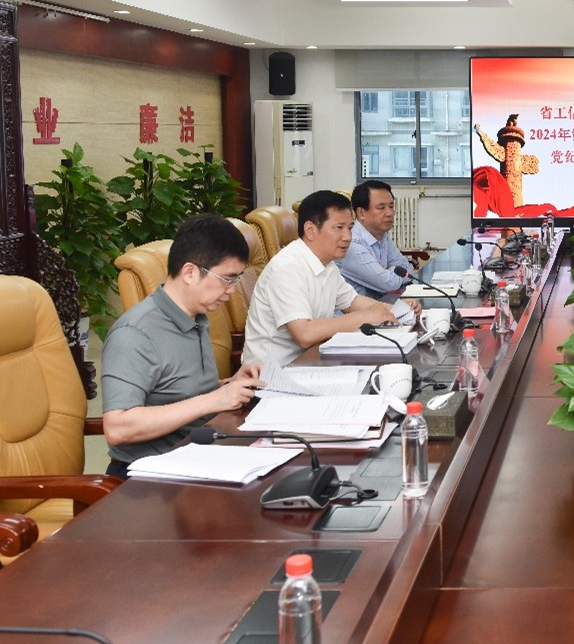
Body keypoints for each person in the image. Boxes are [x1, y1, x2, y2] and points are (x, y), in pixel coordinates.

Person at [101, 215, 267, 478]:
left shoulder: (196, 316)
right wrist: (214, 400)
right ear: (189, 273)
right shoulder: (135, 333)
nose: (232, 290)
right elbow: (117, 427)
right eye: (228, 279)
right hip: (150, 474)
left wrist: (229, 385)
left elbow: (176, 391)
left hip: (200, 453)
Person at [243, 190, 400, 366]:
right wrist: (364, 317)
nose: (348, 237)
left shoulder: (327, 263)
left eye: (350, 228)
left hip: (311, 362)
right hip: (274, 372)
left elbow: (352, 301)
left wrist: (400, 311)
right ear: (310, 230)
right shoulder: (287, 268)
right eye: (339, 228)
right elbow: (305, 334)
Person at [337, 180, 414, 301]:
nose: (389, 213)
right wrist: (392, 271)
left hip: (381, 304)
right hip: (357, 311)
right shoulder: (352, 244)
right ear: (361, 213)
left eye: (391, 206)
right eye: (381, 207)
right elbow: (389, 284)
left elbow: (407, 268)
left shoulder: (381, 235)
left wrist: (389, 273)